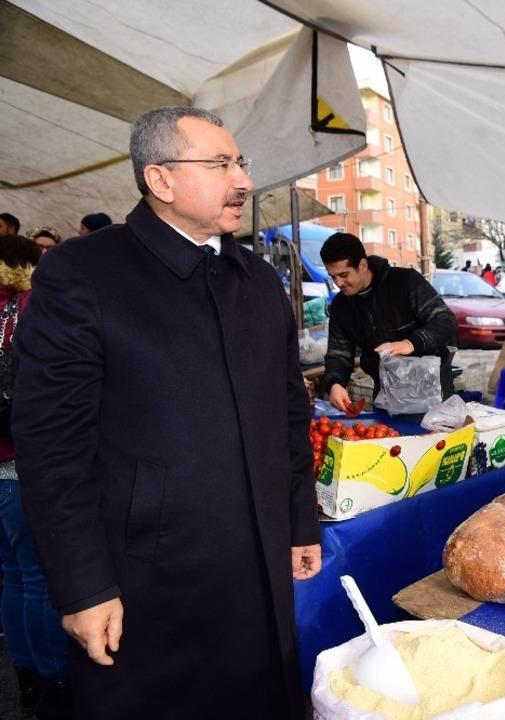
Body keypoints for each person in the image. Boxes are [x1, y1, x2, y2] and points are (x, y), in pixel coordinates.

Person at [12, 106, 321, 719]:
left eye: (241, 163)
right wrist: (83, 587)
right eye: (221, 164)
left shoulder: (258, 281)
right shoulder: (83, 273)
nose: (242, 181)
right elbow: (52, 447)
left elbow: (288, 411)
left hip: (257, 570)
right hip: (147, 581)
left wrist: (298, 520)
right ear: (160, 180)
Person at [0, 235, 71, 720]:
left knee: (13, 576)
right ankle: (53, 683)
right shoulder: (27, 309)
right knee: (41, 579)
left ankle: (25, 681)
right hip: (25, 461)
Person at [320, 232, 457, 409]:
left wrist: (411, 343)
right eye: (333, 277)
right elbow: (339, 353)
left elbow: (445, 320)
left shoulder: (405, 281)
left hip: (434, 391)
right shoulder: (340, 306)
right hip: (386, 396)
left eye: (344, 275)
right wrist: (335, 383)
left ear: (362, 265)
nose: (338, 283)